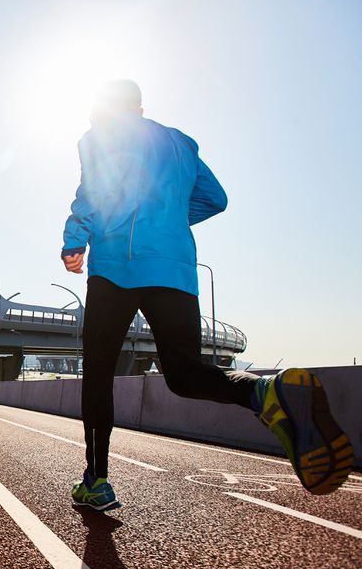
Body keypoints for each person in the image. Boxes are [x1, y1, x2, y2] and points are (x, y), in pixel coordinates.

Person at [61, 80, 353, 510]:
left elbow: (91, 195)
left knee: (99, 373)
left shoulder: (98, 137)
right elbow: (216, 199)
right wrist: (172, 221)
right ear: (140, 107)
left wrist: (74, 241)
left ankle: (97, 480)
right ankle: (263, 393)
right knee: (185, 373)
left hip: (115, 270)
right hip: (175, 269)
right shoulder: (180, 143)